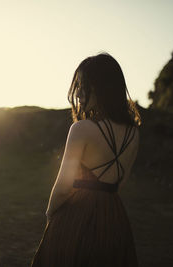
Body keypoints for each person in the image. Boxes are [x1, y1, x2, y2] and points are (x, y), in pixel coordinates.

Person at [30, 52, 141, 267]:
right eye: (78, 85)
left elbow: (63, 186)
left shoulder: (82, 129)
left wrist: (51, 213)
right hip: (114, 218)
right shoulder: (134, 133)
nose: (79, 93)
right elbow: (120, 184)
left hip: (77, 216)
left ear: (101, 88)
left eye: (84, 85)